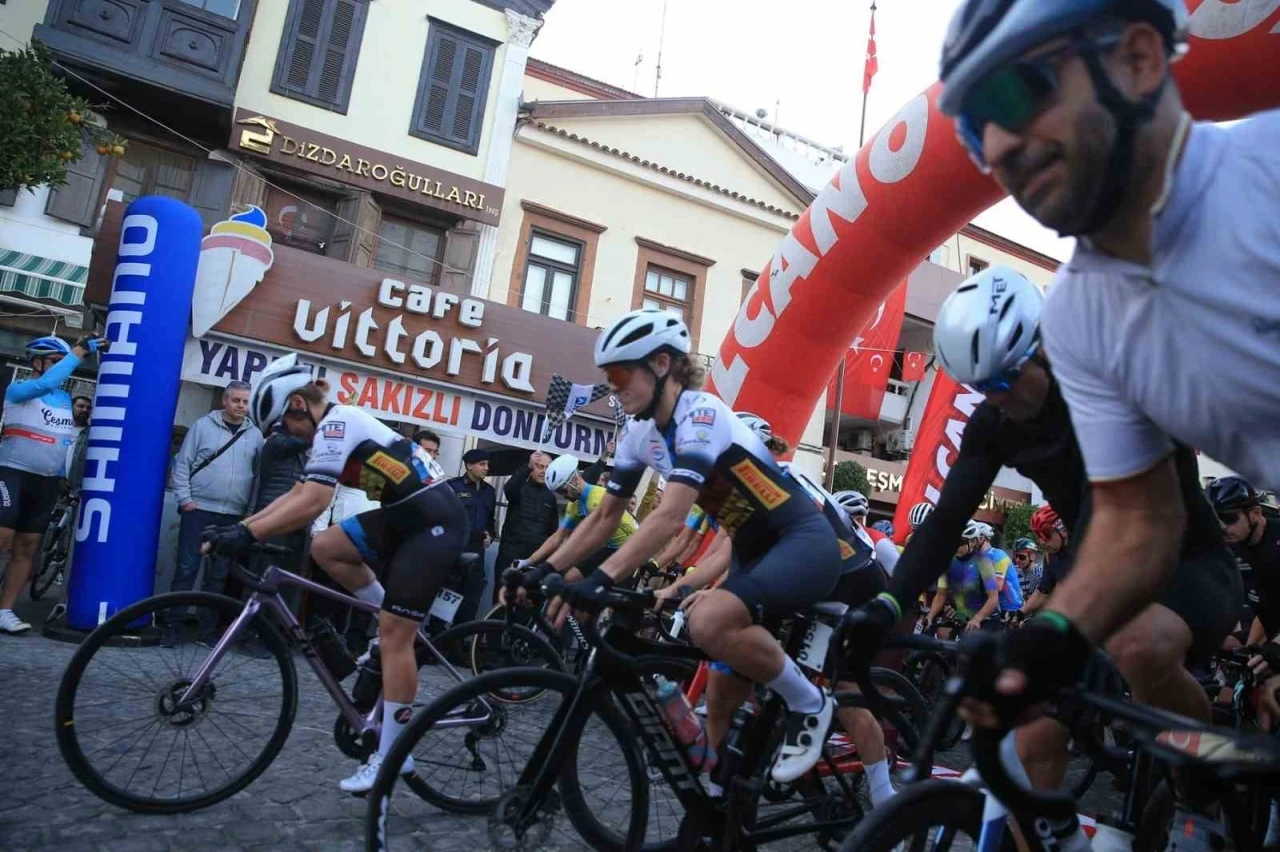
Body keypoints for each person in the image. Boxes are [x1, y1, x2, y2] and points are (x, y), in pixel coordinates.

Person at [936, 12, 1275, 838]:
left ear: (1137, 55)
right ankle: (1214, 771)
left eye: (1022, 89)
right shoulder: (1084, 317)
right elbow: (1135, 519)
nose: (1004, 144)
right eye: (977, 130)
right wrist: (1046, 640)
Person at [846, 265, 1240, 836]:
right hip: (1098, 562)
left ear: (1044, 350)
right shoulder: (994, 421)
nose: (995, 400)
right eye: (982, 389)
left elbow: (1114, 518)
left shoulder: (1109, 387)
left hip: (1186, 563)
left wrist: (1052, 632)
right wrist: (887, 606)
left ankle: (1198, 790)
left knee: (1137, 643)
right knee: (1031, 731)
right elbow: (943, 524)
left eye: (1003, 383)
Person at [529, 309, 848, 783]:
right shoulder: (638, 435)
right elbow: (604, 517)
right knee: (719, 690)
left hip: (799, 540)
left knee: (708, 621)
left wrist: (600, 578)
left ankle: (810, 702)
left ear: (661, 365)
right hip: (752, 551)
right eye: (607, 378)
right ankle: (718, 803)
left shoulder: (701, 414)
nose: (613, 389)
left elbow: (670, 515)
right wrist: (540, 570)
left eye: (618, 375)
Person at [204, 354, 464, 792]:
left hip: (434, 525)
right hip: (405, 519)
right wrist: (243, 527)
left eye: (284, 425)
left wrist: (247, 534)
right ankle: (387, 630)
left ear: (299, 406)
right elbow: (300, 491)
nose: (287, 435)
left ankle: (393, 755)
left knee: (397, 635)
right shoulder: (328, 430)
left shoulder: (339, 423)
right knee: (327, 546)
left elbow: (313, 505)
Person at [0, 335, 104, 634]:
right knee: (3, 539)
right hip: (12, 473)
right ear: (37, 362)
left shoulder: (63, 401)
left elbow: (61, 442)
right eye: (55, 363)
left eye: (62, 363)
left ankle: (5, 610)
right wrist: (79, 352)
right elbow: (46, 383)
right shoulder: (21, 389)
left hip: (45, 481)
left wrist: (60, 478)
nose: (62, 369)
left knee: (28, 547)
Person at [168, 380, 264, 643]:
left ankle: (207, 632)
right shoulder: (202, 427)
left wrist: (249, 513)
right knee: (186, 569)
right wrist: (186, 500)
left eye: (245, 402)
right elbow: (182, 465)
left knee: (218, 576)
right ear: (224, 400)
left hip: (232, 516)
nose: (241, 406)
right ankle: (173, 628)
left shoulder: (255, 435)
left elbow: (257, 476)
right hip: (199, 510)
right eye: (236, 400)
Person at [522, 454, 639, 573]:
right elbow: (557, 537)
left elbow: (589, 543)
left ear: (575, 479)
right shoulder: (575, 505)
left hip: (626, 550)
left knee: (573, 578)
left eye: (563, 490)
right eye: (558, 492)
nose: (563, 495)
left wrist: (552, 565)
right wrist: (529, 561)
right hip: (607, 548)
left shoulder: (596, 500)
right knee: (569, 577)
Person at [244, 421, 309, 611]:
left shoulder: (298, 450)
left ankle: (272, 627)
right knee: (262, 576)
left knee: (283, 578)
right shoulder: (277, 442)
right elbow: (299, 443)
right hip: (272, 516)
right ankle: (250, 626)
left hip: (290, 519)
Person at [1207, 476, 1280, 645]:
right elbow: (1267, 610)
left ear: (1255, 513)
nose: (1223, 527)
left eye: (1229, 518)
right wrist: (1249, 649)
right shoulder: (1234, 545)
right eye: (1216, 520)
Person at [493, 450, 559, 597]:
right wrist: (527, 467)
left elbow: (553, 531)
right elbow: (509, 489)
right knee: (503, 599)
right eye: (539, 466)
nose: (543, 471)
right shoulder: (520, 487)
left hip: (536, 560)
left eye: (547, 467)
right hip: (511, 557)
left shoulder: (550, 496)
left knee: (529, 603)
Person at [447, 448, 497, 626]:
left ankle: (459, 642)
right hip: (456, 547)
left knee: (471, 596)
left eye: (487, 464)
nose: (486, 468)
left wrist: (490, 536)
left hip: (477, 550)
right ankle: (436, 638)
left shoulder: (489, 491)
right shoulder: (452, 487)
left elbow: (490, 521)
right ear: (469, 465)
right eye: (482, 464)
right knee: (449, 593)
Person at [927, 521, 1000, 634]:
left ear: (972, 541)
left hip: (985, 620)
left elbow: (993, 598)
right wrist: (930, 617)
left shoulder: (983, 562)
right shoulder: (947, 562)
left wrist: (977, 619)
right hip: (962, 620)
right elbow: (941, 595)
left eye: (960, 542)